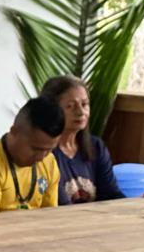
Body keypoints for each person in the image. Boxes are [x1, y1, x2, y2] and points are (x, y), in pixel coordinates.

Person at [40, 75, 123, 204]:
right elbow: (60, 205)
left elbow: (111, 194)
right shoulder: (43, 152)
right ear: (51, 110)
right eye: (70, 106)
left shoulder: (96, 147)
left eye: (84, 104)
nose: (80, 112)